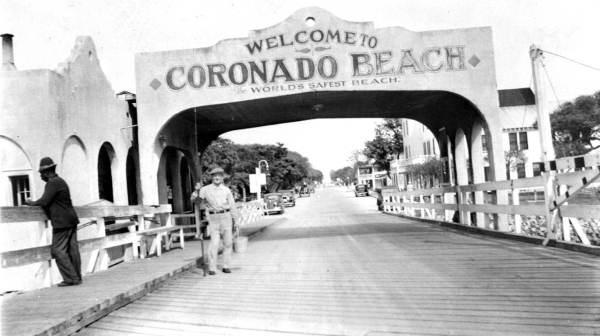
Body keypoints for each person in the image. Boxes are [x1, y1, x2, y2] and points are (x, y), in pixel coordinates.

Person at [26, 157, 82, 286]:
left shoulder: (52, 183)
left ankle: (71, 279)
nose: (41, 176)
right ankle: (77, 277)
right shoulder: (61, 181)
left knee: (58, 250)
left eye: (41, 173)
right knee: (72, 249)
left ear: (46, 172)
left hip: (62, 222)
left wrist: (31, 203)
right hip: (71, 219)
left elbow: (44, 201)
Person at [191, 166, 239, 275]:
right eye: (214, 175)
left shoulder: (227, 190)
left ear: (222, 178)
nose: (217, 177)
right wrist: (196, 190)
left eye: (219, 175)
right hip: (213, 219)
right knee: (214, 243)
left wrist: (236, 221)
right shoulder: (205, 189)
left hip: (226, 217)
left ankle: (226, 266)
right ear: (212, 177)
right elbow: (197, 202)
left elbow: (232, 206)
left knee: (228, 243)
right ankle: (212, 268)